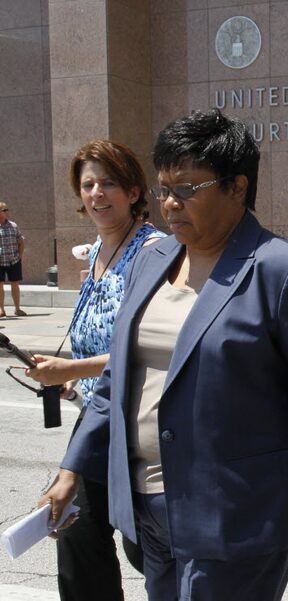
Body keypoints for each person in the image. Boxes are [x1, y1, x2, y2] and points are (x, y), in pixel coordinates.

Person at [39, 110, 288, 600]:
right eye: (164, 187)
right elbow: (115, 385)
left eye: (188, 188)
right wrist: (72, 471)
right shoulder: (150, 260)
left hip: (236, 516)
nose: (170, 203)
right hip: (149, 512)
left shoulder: (283, 272)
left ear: (236, 186)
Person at [25, 140, 165, 601]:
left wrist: (75, 365)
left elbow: (151, 344)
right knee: (77, 527)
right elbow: (97, 340)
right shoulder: (96, 255)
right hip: (97, 415)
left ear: (132, 191)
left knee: (146, 543)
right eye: (88, 184)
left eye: (108, 183)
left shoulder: (155, 251)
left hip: (142, 417)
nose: (96, 193)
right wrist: (71, 381)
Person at [0, 201, 26, 317]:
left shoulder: (13, 225)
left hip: (13, 260)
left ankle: (17, 308)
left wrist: (19, 256)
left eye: (7, 210)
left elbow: (21, 241)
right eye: (4, 210)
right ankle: (1, 310)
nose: (7, 212)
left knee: (15, 284)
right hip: (0, 261)